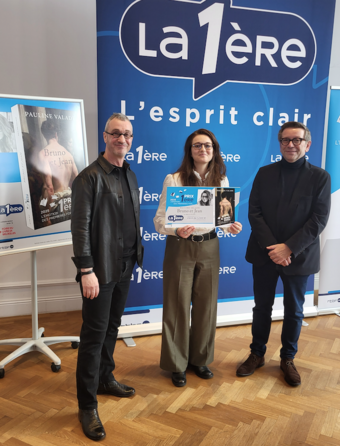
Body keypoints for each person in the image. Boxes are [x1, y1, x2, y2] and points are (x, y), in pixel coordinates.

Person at [237, 121, 331, 387]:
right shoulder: (264, 173)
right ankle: (257, 354)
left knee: (295, 311)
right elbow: (254, 212)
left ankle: (288, 358)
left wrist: (288, 248)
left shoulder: (320, 177)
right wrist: (274, 249)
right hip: (264, 254)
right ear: (279, 144)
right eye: (285, 140)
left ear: (307, 144)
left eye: (297, 140)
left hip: (299, 256)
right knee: (261, 308)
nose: (291, 145)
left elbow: (319, 219)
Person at [71, 113, 143, 441]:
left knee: (112, 327)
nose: (122, 139)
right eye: (116, 133)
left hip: (126, 265)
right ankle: (87, 406)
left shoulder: (129, 173)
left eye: (127, 134)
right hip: (99, 270)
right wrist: (86, 270)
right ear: (105, 136)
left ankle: (105, 378)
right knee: (93, 336)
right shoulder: (89, 178)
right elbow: (81, 228)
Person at [154, 129, 242, 387]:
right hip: (180, 246)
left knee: (206, 306)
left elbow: (221, 220)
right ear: (189, 150)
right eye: (197, 146)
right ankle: (176, 364)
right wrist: (175, 230)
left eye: (207, 146)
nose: (202, 150)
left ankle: (200, 359)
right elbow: (159, 220)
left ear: (214, 150)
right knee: (177, 306)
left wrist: (230, 226)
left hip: (210, 247)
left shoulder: (221, 180)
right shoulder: (174, 179)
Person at [39, 120, 78, 224]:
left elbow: (49, 187)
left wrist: (46, 217)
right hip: (70, 202)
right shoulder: (68, 153)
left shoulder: (43, 154)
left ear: (43, 134)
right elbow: (78, 180)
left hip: (56, 205)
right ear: (56, 134)